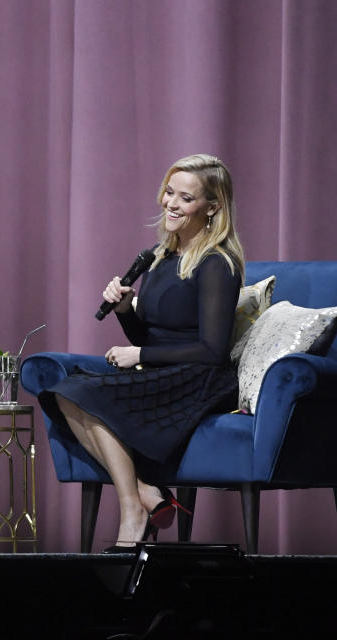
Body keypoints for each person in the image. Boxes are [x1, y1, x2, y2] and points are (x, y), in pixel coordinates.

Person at [38, 154, 245, 553]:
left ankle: (132, 510)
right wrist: (123, 311)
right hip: (160, 369)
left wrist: (141, 355)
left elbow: (213, 350)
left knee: (86, 394)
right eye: (169, 192)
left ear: (212, 207)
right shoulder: (159, 257)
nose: (171, 203)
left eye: (185, 198)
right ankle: (145, 494)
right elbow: (150, 334)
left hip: (199, 377)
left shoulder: (217, 263)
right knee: (65, 390)